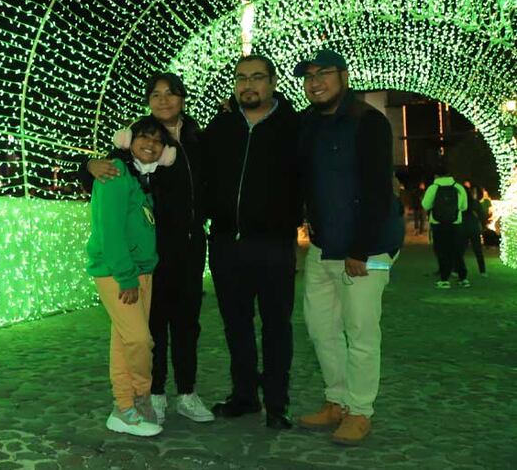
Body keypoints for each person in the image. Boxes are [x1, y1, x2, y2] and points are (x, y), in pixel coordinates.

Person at [81, 73, 214, 425]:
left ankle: (187, 392)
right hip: (153, 251)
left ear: (182, 98)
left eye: (171, 93)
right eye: (156, 94)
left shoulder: (198, 138)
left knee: (187, 322)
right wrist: (86, 166)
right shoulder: (137, 139)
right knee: (151, 326)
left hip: (189, 245)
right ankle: (152, 394)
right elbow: (105, 174)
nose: (163, 100)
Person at [293, 49, 403, 445]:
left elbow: (377, 189)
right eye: (308, 76)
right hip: (324, 245)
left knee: (360, 332)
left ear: (343, 77)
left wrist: (361, 248)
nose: (315, 82)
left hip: (367, 249)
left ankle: (360, 411)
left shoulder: (367, 121)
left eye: (323, 73)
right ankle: (336, 400)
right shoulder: (307, 123)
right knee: (321, 329)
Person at [201, 55, 300, 430]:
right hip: (227, 242)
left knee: (277, 325)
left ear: (272, 82)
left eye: (257, 77)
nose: (248, 85)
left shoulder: (293, 126)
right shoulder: (223, 125)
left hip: (274, 244)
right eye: (241, 78)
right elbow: (187, 155)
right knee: (236, 325)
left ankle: (277, 402)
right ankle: (244, 396)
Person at [85, 115, 171, 437]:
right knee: (139, 340)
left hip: (141, 271)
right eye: (144, 137)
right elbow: (109, 230)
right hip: (119, 273)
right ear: (128, 141)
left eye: (158, 141)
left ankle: (123, 408)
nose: (151, 144)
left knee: (123, 341)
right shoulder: (116, 173)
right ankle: (140, 397)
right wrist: (126, 276)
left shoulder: (142, 179)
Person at [422, 167, 470, 288]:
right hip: (455, 223)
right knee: (456, 251)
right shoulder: (458, 187)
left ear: (436, 176)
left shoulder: (433, 188)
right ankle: (463, 277)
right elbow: (464, 207)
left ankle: (444, 279)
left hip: (438, 224)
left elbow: (425, 205)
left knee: (442, 251)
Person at [466, 186, 488, 277]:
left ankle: (456, 270)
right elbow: (482, 215)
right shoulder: (476, 203)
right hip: (474, 227)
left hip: (464, 227)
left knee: (460, 250)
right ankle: (482, 271)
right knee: (478, 250)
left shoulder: (463, 202)